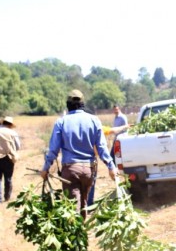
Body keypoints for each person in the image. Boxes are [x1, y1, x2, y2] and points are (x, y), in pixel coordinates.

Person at [41, 89, 118, 218]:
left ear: (68, 104)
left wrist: (45, 168)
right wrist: (111, 166)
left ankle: (76, 235)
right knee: (84, 204)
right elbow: (101, 147)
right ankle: (82, 233)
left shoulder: (61, 122)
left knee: (72, 208)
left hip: (70, 170)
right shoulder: (94, 120)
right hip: (89, 170)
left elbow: (53, 149)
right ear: (83, 104)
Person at [0, 116, 21, 204]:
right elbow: (18, 146)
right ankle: (7, 197)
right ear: (10, 125)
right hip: (9, 157)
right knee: (8, 178)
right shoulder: (13, 133)